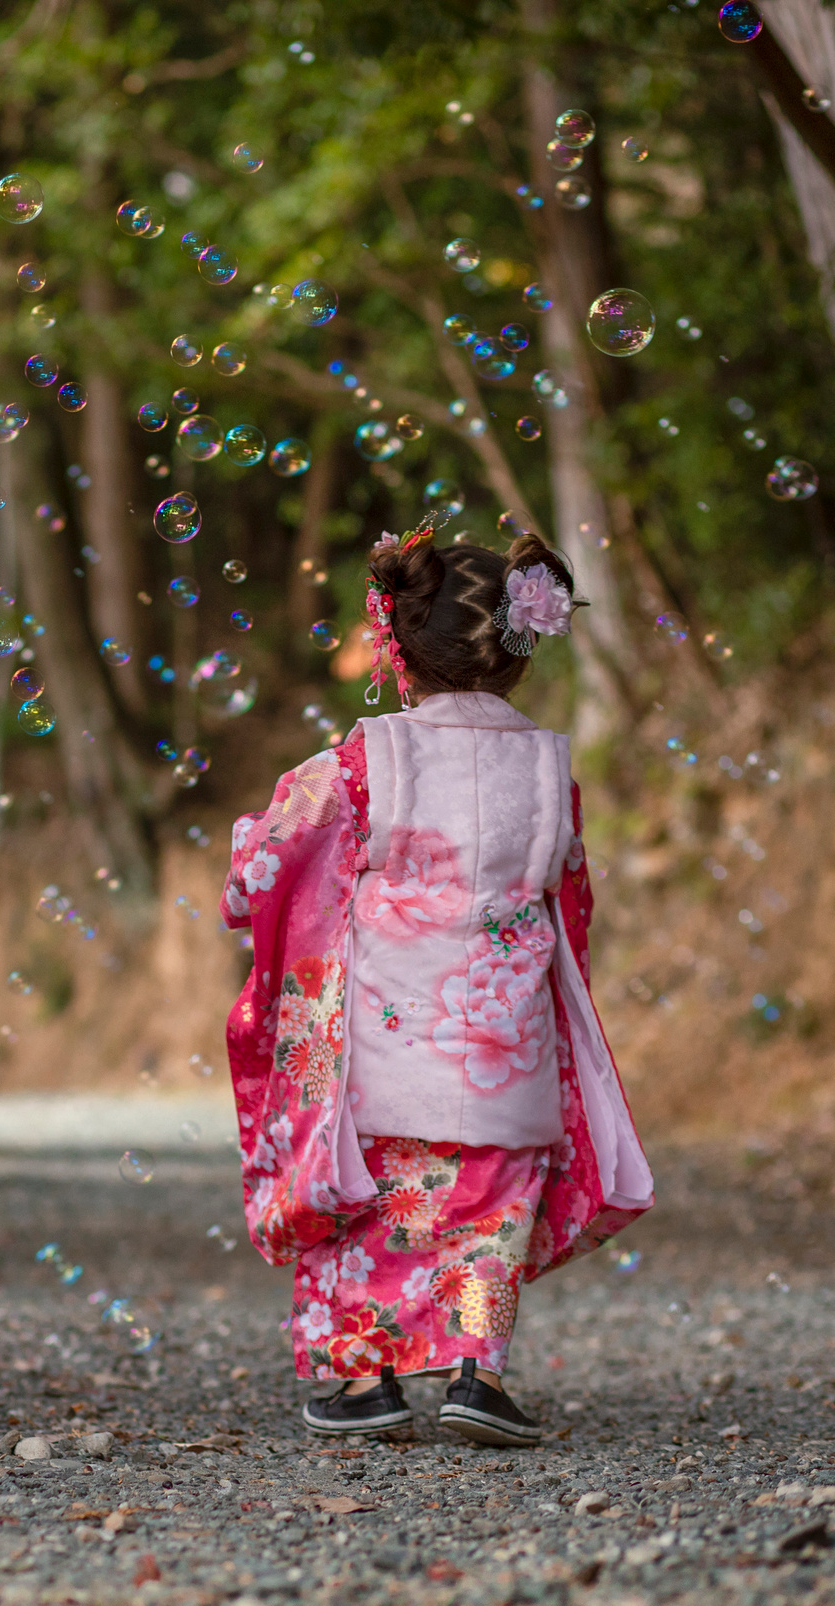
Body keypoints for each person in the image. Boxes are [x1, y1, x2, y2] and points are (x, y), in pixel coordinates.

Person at [219, 519, 654, 1448]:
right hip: (503, 1031)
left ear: (399, 650)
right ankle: (475, 1373)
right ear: (518, 654)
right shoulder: (550, 765)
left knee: (367, 1199)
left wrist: (243, 875)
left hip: (384, 1036)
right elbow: (570, 891)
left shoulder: (364, 761)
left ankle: (366, 1381)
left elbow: (266, 865)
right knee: (490, 1202)